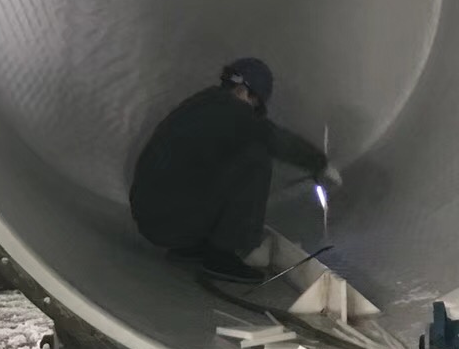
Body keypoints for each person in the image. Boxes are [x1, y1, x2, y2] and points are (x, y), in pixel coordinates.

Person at [129, 57, 340, 283]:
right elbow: (274, 138)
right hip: (169, 221)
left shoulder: (203, 102)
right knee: (256, 159)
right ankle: (221, 256)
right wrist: (320, 163)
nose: (254, 110)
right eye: (256, 103)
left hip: (152, 217)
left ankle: (193, 246)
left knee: (229, 161)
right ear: (245, 91)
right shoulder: (233, 112)